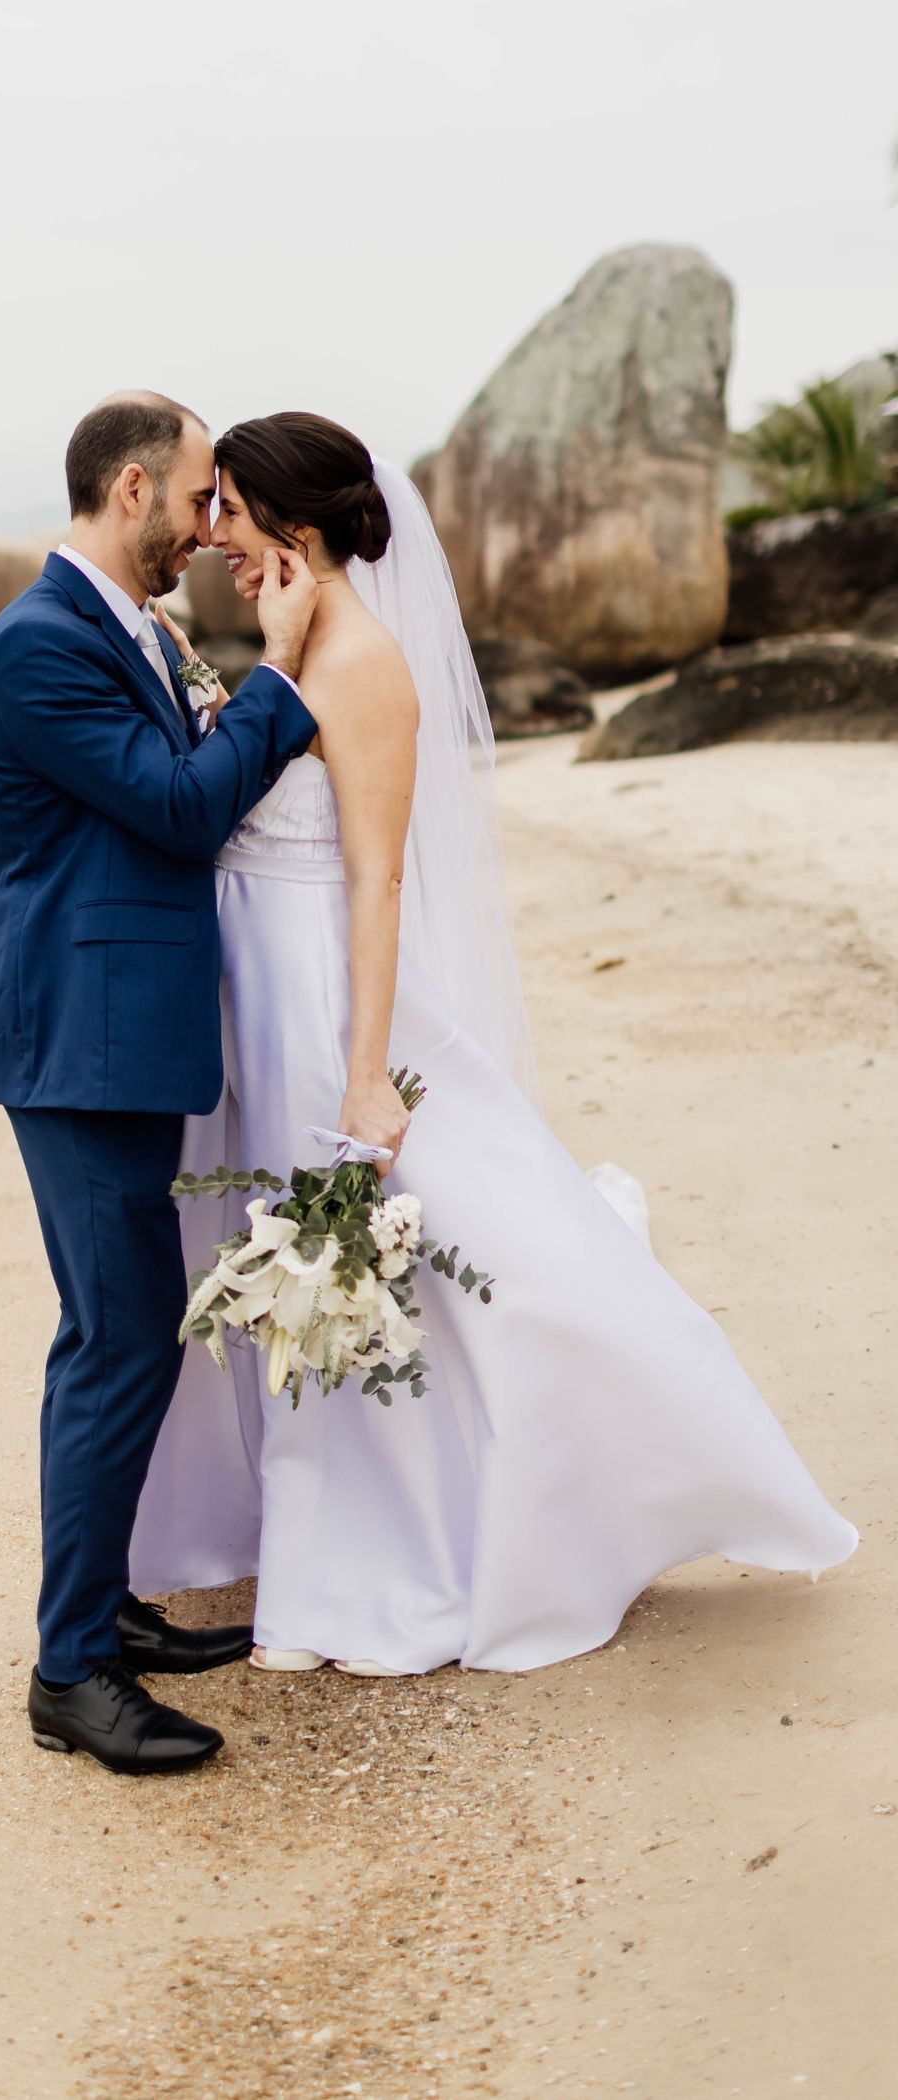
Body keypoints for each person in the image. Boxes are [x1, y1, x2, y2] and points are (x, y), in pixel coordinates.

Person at [130, 410, 857, 1676]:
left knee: (386, 1261)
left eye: (230, 513)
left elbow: (375, 882)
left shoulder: (361, 664)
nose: (215, 540)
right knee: (299, 1261)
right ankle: (304, 1531)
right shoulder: (292, 647)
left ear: (293, 522)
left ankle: (406, 1550)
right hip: (258, 1002)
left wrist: (365, 1071)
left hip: (325, 1002)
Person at [0, 392, 319, 1771]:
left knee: (120, 1329)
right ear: (134, 488)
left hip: (113, 1029)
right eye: (200, 498)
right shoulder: (39, 643)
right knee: (117, 1335)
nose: (210, 526)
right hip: (78, 1043)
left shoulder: (126, 625)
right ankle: (70, 1671)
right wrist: (279, 674)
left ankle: (103, 1609)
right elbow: (181, 809)